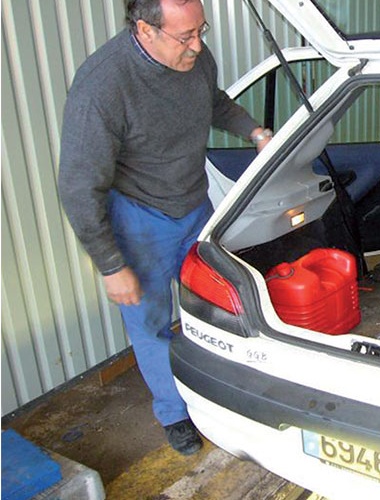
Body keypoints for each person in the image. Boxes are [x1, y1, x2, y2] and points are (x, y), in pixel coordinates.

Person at [57, 0, 272, 455]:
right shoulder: (103, 86)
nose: (198, 45)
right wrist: (112, 265)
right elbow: (79, 187)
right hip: (140, 220)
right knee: (151, 324)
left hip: (195, 204)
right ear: (145, 30)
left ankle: (223, 392)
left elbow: (214, 103)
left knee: (216, 302)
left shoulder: (194, 56)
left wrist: (254, 131)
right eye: (185, 37)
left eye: (202, 31)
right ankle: (175, 415)